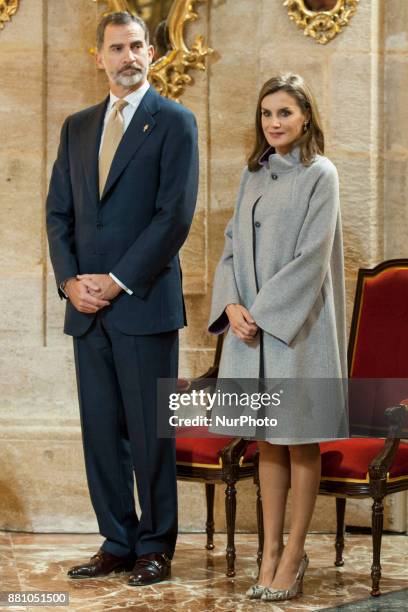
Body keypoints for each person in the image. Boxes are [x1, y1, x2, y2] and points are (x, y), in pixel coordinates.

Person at [46, 11, 198, 586]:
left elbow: (174, 216)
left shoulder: (175, 121)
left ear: (152, 53)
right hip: (86, 310)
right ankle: (117, 539)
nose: (128, 56)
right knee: (101, 432)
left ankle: (156, 546)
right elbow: (58, 212)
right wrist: (70, 281)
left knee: (150, 432)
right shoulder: (76, 126)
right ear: (99, 56)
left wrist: (118, 280)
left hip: (144, 302)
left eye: (137, 46)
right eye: (117, 48)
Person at [208, 73, 347, 602]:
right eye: (267, 114)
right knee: (266, 438)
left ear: (305, 115)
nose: (274, 123)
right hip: (249, 332)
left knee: (298, 438)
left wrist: (261, 313)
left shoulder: (321, 174)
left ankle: (293, 554)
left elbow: (312, 258)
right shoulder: (254, 174)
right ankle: (268, 552)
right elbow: (229, 247)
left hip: (297, 331)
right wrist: (231, 304)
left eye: (284, 112)